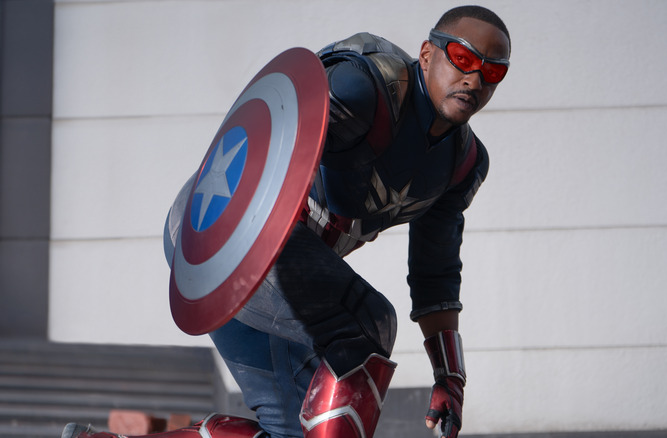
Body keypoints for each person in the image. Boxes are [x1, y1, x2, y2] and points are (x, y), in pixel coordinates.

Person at [63, 5, 510, 438]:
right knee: (368, 326)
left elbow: (435, 274)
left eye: (492, 72)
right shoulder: (362, 88)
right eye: (464, 58)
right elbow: (268, 134)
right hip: (226, 235)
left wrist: (450, 377)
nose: (474, 78)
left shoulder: (462, 163)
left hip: (261, 261)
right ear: (428, 54)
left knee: (290, 428)